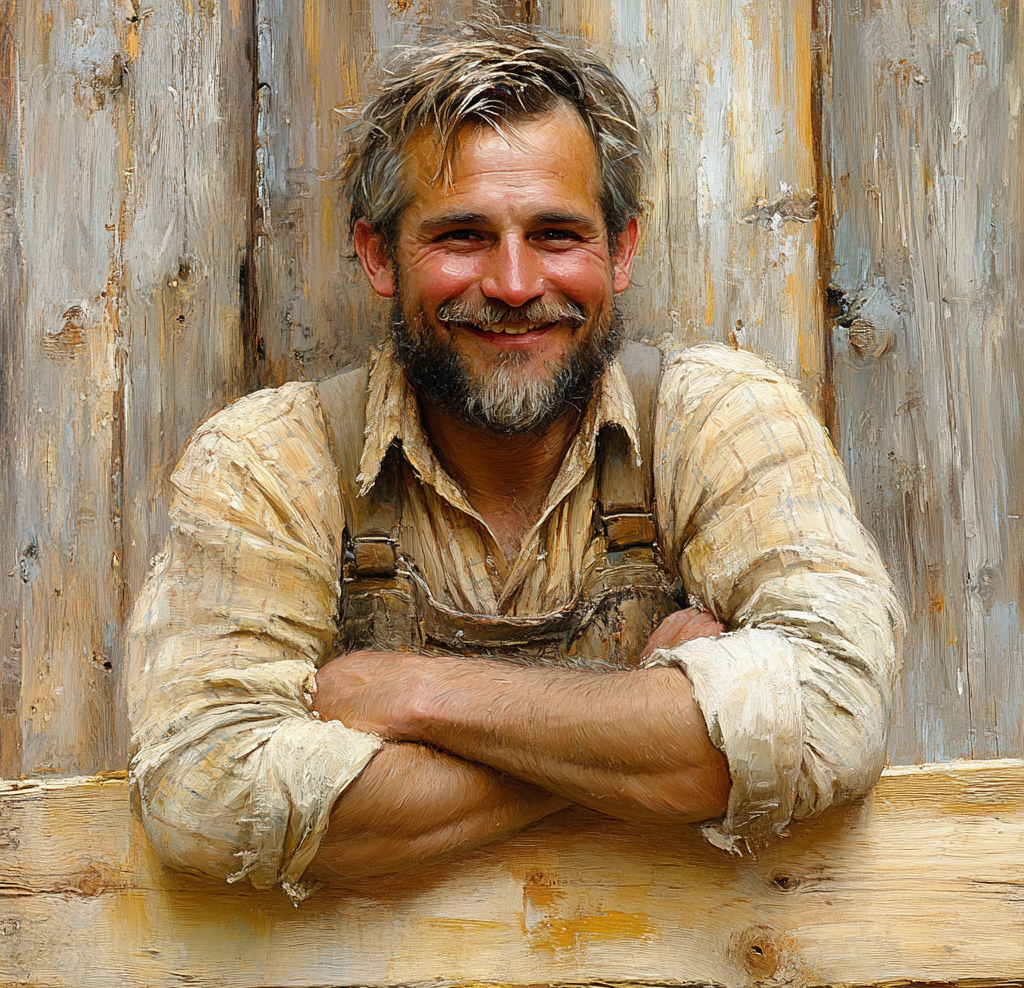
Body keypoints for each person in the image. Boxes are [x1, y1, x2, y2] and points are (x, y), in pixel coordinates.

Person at [127, 25, 903, 901]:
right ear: (380, 254)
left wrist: (416, 694)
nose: (512, 283)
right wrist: (652, 734)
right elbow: (203, 789)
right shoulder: (270, 462)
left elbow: (834, 714)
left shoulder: (721, 420)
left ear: (622, 248)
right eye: (461, 235)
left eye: (557, 233)